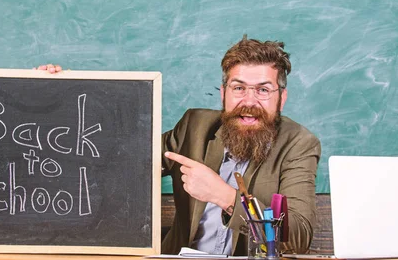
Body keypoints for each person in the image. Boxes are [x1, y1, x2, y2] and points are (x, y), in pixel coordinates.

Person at [36, 35, 321, 256]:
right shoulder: (195, 127)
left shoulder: (299, 144)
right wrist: (62, 93)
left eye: (263, 90)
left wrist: (225, 196)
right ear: (224, 94)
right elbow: (116, 156)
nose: (249, 101)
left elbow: (297, 236)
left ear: (281, 98)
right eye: (238, 88)